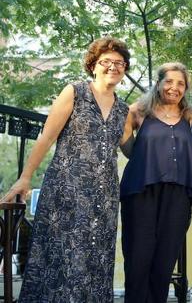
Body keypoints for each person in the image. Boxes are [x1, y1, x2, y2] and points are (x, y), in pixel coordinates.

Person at [1, 37, 131, 302]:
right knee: (60, 258)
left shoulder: (123, 110)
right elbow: (46, 138)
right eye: (106, 61)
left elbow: (133, 151)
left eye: (120, 63)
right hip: (65, 192)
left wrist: (161, 122)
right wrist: (25, 177)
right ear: (93, 65)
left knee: (95, 259)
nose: (113, 67)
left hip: (103, 199)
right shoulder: (75, 92)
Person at [119, 62, 192, 302]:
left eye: (180, 83)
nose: (174, 88)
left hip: (178, 195)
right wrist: (147, 158)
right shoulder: (137, 111)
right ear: (159, 83)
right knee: (138, 258)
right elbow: (127, 146)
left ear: (186, 89)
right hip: (141, 191)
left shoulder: (191, 116)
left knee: (165, 261)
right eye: (169, 81)